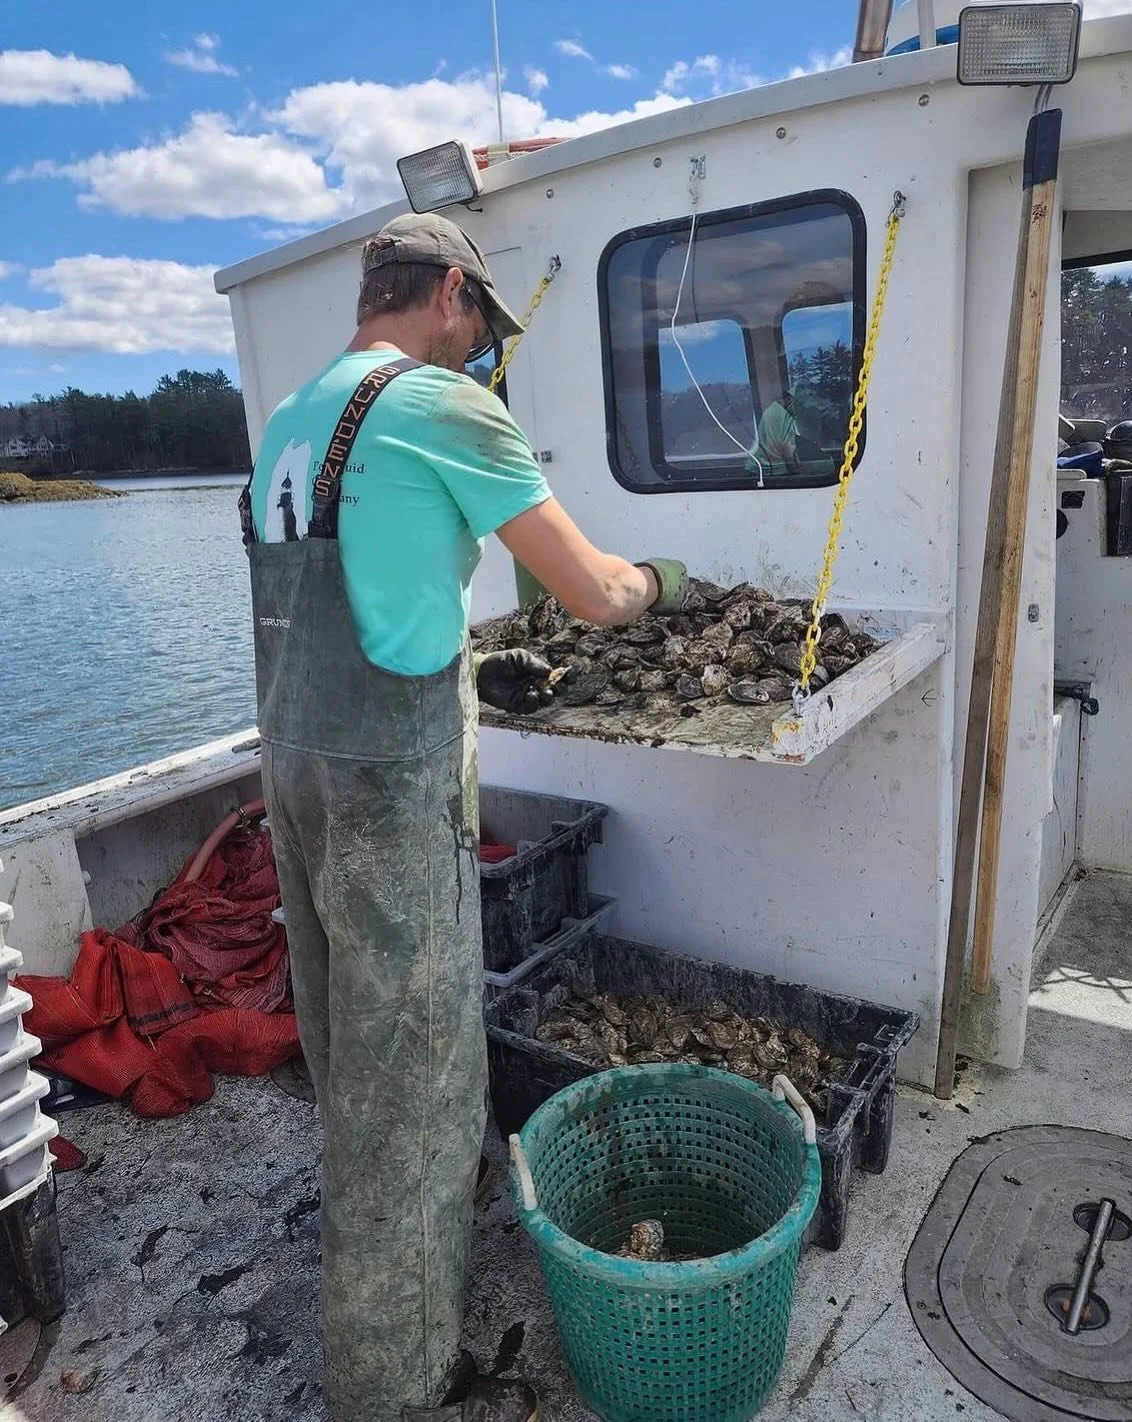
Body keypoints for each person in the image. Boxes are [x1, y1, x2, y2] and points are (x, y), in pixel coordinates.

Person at [239, 211, 687, 1422]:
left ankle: (389, 1248)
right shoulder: (440, 404)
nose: (478, 344)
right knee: (421, 1071)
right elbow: (589, 593)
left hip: (295, 767)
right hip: (388, 778)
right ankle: (400, 1382)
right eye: (478, 319)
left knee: (347, 1043)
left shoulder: (290, 418)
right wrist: (658, 584)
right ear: (447, 291)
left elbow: (366, 576)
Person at [745, 390, 801, 478]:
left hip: (758, 466)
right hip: (773, 469)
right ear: (789, 400)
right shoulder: (784, 415)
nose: (798, 409)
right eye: (797, 404)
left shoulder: (771, 410)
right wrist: (798, 470)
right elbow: (788, 450)